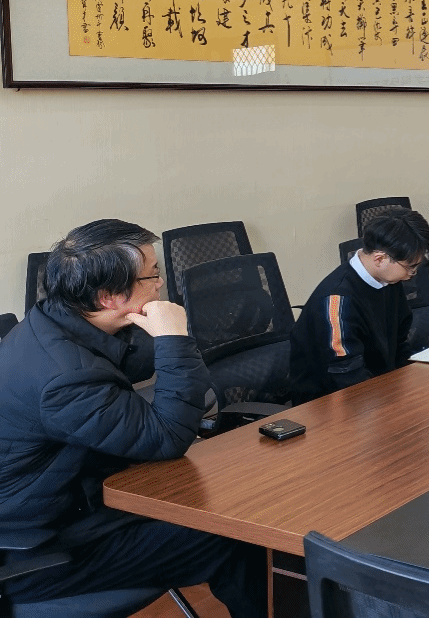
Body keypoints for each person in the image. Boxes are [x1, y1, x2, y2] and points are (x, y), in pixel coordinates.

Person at [0, 219, 264, 616]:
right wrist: (174, 339)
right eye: (152, 275)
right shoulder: (64, 378)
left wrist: (162, 336)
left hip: (66, 499)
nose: (160, 284)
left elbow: (132, 362)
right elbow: (168, 437)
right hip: (38, 549)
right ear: (108, 296)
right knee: (234, 533)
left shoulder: (57, 318)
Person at [291, 208, 429, 404]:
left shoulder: (389, 281)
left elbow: (400, 341)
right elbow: (346, 375)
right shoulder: (337, 300)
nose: (412, 274)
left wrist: (408, 385)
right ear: (380, 259)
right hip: (330, 404)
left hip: (378, 390)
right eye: (410, 267)